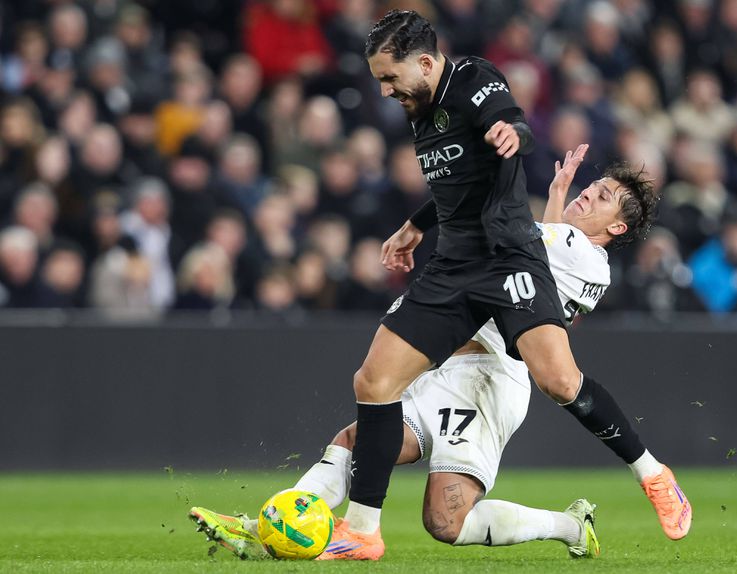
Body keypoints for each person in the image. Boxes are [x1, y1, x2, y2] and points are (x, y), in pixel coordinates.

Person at [300, 10, 688, 559]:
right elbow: (461, 186)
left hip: (506, 277)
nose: (385, 90)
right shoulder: (421, 111)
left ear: (427, 63)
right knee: (373, 384)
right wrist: (417, 223)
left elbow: (514, 126)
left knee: (559, 380)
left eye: (390, 78)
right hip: (456, 267)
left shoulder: (474, 79)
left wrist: (515, 132)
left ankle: (652, 473)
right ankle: (361, 530)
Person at [189, 144, 657, 560]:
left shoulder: (580, 251)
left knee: (445, 523)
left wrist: (456, 198)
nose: (588, 193)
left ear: (617, 225)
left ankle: (571, 525)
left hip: (488, 383)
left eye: (601, 196)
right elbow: (542, 258)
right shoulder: (573, 250)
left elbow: (519, 238)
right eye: (593, 185)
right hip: (454, 368)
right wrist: (557, 198)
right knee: (354, 442)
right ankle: (265, 530)